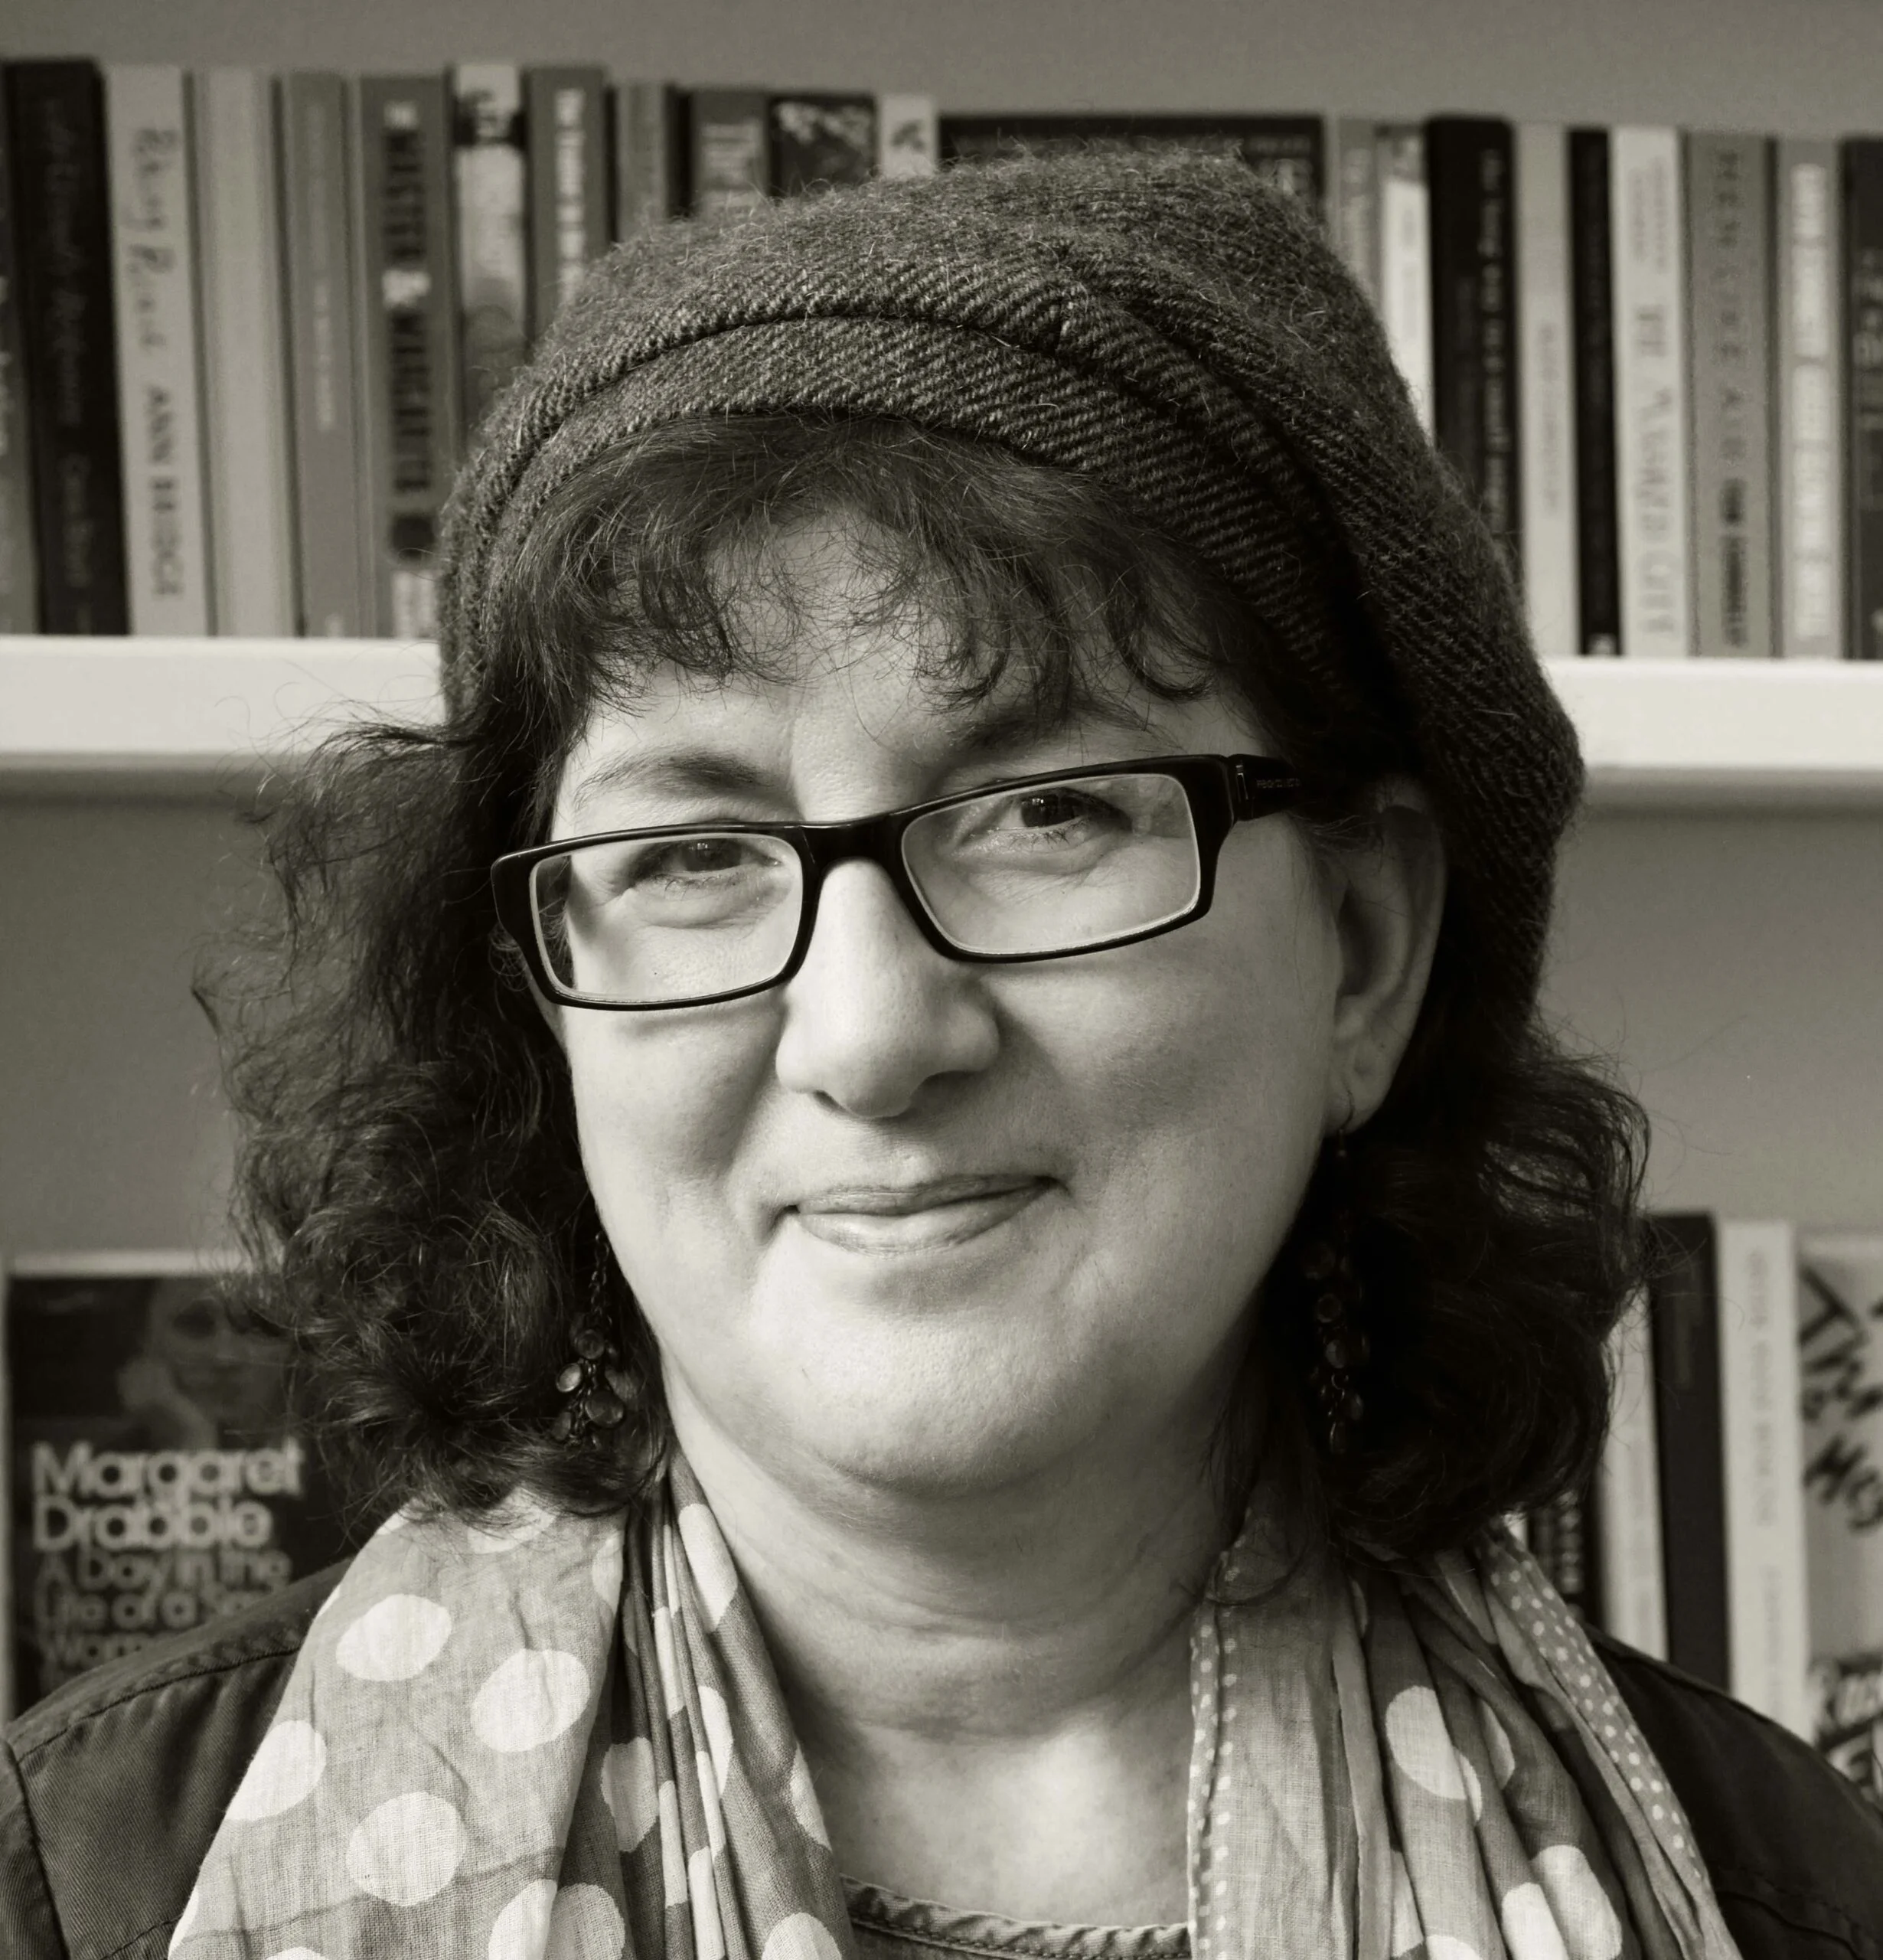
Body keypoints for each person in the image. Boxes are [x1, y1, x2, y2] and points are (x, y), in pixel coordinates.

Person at [4, 149, 1878, 1960]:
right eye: (689, 853)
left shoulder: (1789, 1896)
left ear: (1364, 955)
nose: (873, 1030)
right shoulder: (89, 1884)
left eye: (1048, 813)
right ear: (543, 992)